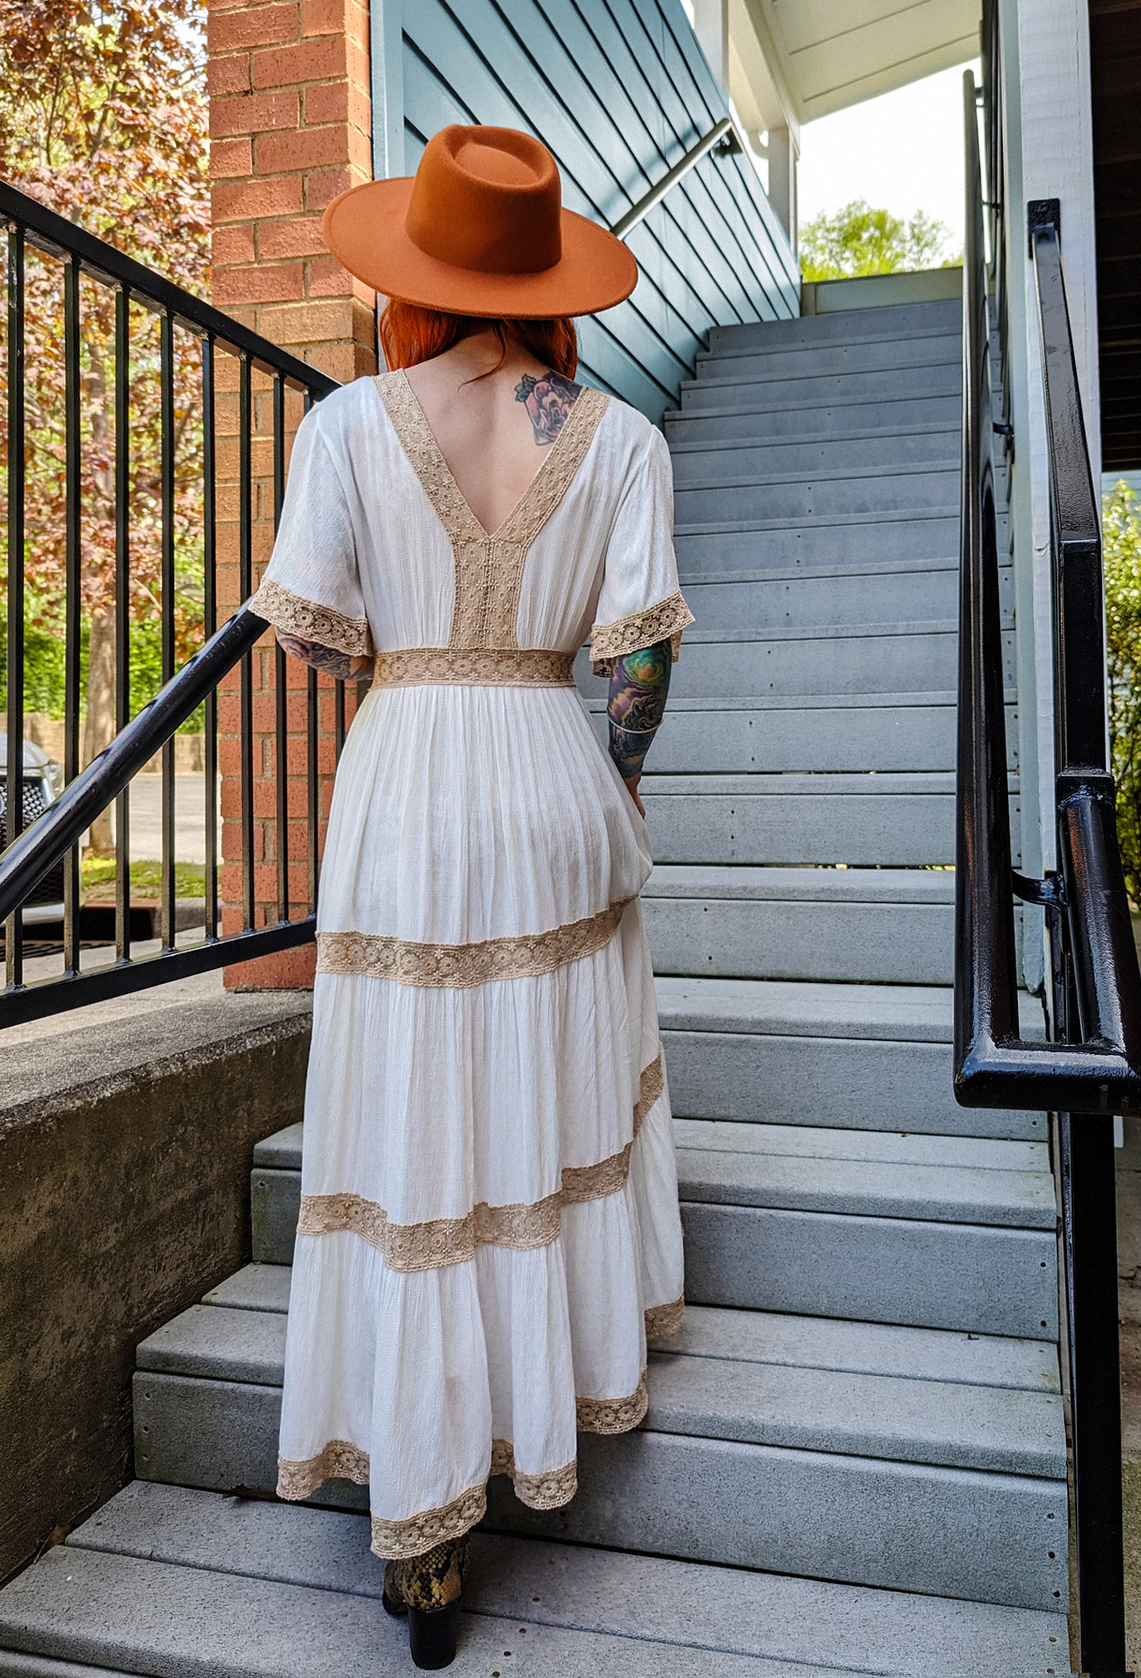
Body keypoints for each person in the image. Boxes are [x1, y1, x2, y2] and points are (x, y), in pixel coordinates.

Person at [249, 123, 693, 1670]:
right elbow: (638, 654)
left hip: (408, 774)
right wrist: (610, 773)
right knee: (541, 1086)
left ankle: (425, 1524)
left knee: (414, 1109)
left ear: (414, 282)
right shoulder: (621, 436)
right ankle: (546, 1387)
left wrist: (409, 650)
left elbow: (313, 630)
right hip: (551, 755)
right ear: (544, 280)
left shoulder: (351, 422)